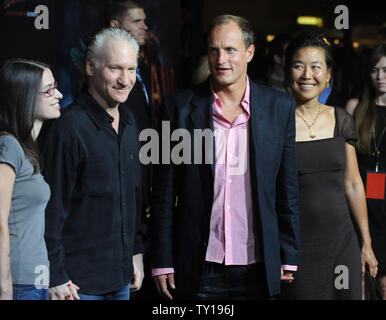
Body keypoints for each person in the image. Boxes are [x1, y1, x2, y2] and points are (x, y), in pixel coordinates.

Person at [151, 14, 301, 300]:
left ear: (250, 52)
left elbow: (287, 188)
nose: (221, 59)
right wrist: (162, 259)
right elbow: (163, 192)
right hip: (199, 266)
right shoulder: (177, 108)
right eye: (214, 50)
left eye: (230, 50)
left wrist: (288, 252)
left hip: (259, 265)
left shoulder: (279, 107)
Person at [39, 27, 145, 300]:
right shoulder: (68, 128)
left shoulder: (131, 122)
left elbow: (133, 197)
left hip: (121, 278)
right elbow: (51, 209)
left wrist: (135, 252)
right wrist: (56, 274)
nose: (125, 80)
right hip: (77, 285)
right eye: (115, 68)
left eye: (131, 69)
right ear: (90, 67)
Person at [280, 33, 378, 300]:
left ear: (328, 74)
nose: (307, 74)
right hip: (297, 246)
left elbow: (354, 183)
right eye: (298, 65)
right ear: (288, 71)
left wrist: (366, 243)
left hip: (341, 240)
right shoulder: (278, 122)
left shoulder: (341, 119)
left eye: (316, 66)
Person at [0, 59, 62, 300]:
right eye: (49, 89)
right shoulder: (8, 145)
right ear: (24, 96)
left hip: (34, 281)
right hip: (17, 283)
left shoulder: (27, 150)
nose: (58, 94)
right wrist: (4, 287)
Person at [346, 44, 386, 300]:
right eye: (375, 70)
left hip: (385, 204)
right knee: (359, 281)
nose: (380, 77)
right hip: (360, 201)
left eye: (385, 70)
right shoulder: (356, 107)